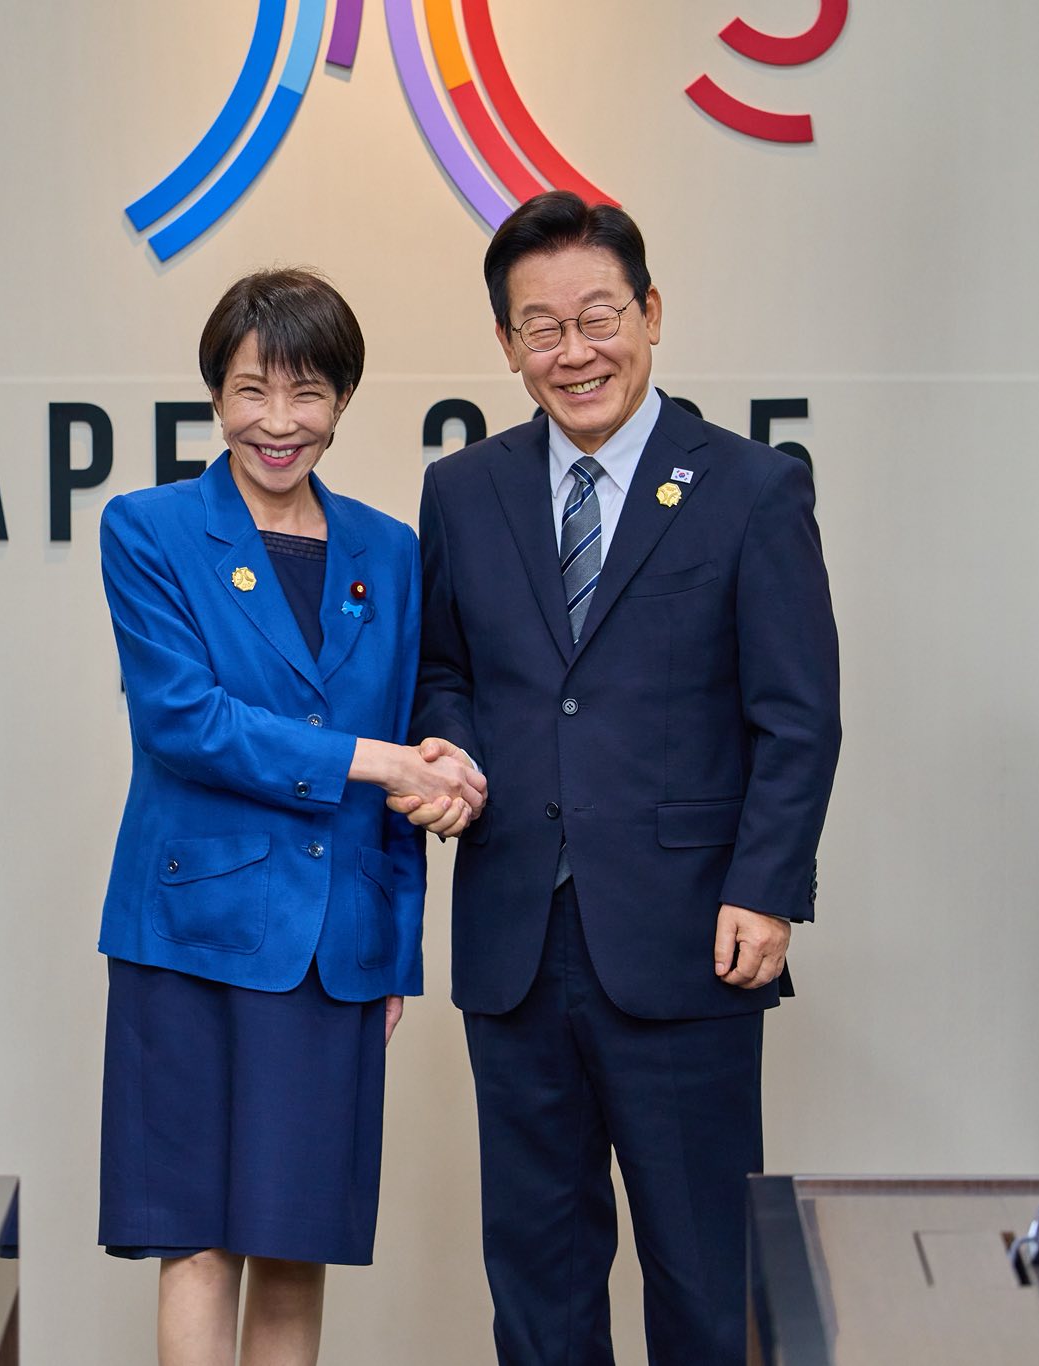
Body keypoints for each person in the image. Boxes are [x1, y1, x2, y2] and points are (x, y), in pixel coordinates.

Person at [398, 192, 842, 1364]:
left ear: (649, 313)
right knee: (536, 1279)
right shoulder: (462, 491)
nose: (573, 350)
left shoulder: (749, 487)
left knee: (703, 1276)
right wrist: (446, 745)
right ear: (506, 344)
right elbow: (443, 671)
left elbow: (796, 714)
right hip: (514, 935)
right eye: (539, 327)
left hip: (688, 935)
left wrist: (765, 887)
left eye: (597, 316)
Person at [97, 267, 484, 1366]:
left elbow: (406, 743)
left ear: (343, 399)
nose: (278, 422)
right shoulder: (149, 529)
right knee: (196, 1237)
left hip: (334, 944)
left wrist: (394, 951)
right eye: (251, 391)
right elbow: (185, 724)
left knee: (294, 1239)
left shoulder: (388, 550)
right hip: (190, 934)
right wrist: (375, 760)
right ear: (215, 395)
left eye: (307, 392)